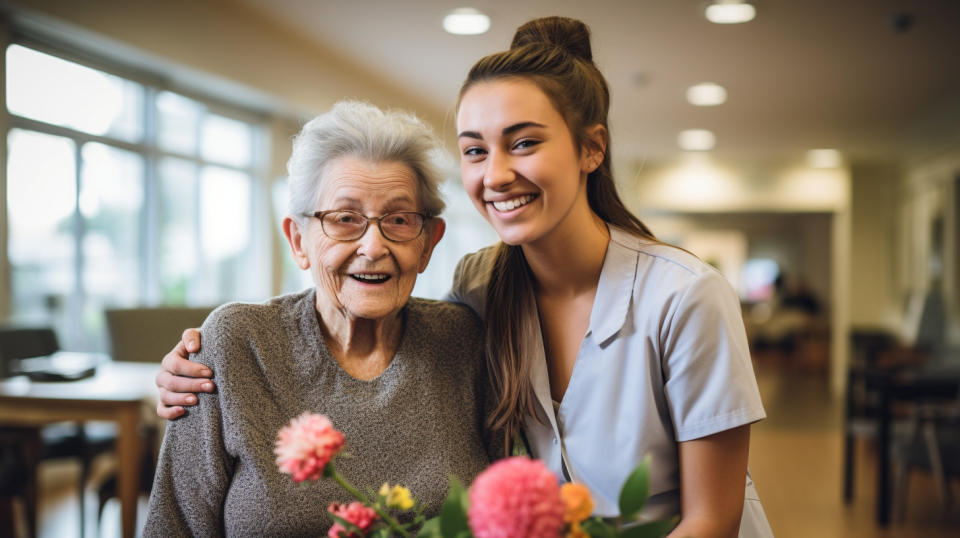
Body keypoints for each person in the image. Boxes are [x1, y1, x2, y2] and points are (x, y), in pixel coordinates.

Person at [156, 17, 772, 537]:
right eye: (476, 150)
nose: (497, 174)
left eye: (524, 142)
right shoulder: (476, 293)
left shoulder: (683, 295)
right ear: (299, 239)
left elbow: (710, 521)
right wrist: (190, 364)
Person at [143, 101, 494, 536]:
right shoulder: (236, 343)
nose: (373, 246)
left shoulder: (463, 340)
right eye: (345, 219)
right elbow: (172, 526)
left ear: (428, 243)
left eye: (399, 220)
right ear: (298, 240)